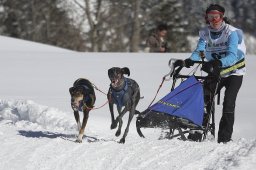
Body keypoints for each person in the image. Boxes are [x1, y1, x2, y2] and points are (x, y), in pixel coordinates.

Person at [183, 4, 246, 143]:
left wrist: (219, 63)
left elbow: (232, 56)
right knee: (203, 99)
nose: (213, 20)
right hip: (215, 71)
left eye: (216, 16)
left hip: (234, 72)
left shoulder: (231, 33)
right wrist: (190, 60)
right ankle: (197, 132)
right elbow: (200, 51)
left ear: (222, 17)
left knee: (228, 102)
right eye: (210, 17)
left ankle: (224, 138)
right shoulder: (205, 33)